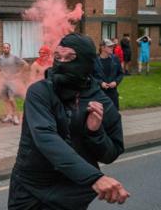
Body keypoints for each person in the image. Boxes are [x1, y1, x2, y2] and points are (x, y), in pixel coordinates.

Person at [8, 33, 130, 210]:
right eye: (58, 57)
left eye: (70, 57)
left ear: (86, 61)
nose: (62, 62)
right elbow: (45, 136)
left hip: (70, 193)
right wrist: (94, 177)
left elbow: (111, 154)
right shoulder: (40, 92)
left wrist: (95, 133)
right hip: (30, 188)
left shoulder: (102, 102)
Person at [0, 43, 26, 125]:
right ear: (2, 49)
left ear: (10, 49)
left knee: (11, 99)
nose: (5, 49)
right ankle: (9, 115)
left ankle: (15, 116)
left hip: (12, 81)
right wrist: (0, 72)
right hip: (4, 81)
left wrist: (19, 73)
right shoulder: (0, 58)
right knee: (5, 99)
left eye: (7, 48)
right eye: (4, 48)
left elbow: (25, 64)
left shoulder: (14, 57)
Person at [94, 39, 124, 110]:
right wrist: (100, 83)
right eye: (110, 46)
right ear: (103, 47)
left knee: (114, 115)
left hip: (113, 94)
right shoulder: (94, 60)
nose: (112, 48)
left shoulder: (115, 58)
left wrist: (115, 82)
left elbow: (120, 73)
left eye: (113, 46)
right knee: (101, 116)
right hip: (99, 94)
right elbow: (91, 76)